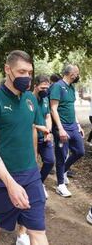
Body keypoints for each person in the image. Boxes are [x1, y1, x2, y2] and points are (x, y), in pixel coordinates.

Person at [0, 50, 48, 245]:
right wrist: (10, 184)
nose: (26, 77)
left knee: (38, 230)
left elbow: (31, 128)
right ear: (7, 69)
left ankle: (22, 234)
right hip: (1, 178)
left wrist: (35, 157)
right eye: (21, 72)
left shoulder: (30, 99)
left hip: (30, 175)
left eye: (29, 72)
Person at [50, 64, 85, 197]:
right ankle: (60, 184)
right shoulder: (57, 86)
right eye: (77, 73)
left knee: (80, 151)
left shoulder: (71, 87)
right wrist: (60, 129)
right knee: (61, 155)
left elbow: (71, 108)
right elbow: (53, 109)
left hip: (72, 126)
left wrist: (78, 125)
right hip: (62, 126)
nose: (78, 76)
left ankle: (63, 170)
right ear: (71, 74)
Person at [32, 75, 55, 198]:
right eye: (42, 88)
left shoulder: (45, 99)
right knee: (32, 164)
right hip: (31, 138)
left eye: (47, 88)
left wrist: (48, 130)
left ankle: (39, 183)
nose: (45, 90)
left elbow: (47, 116)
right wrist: (38, 127)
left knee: (50, 161)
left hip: (45, 137)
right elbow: (25, 122)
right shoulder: (28, 99)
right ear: (35, 86)